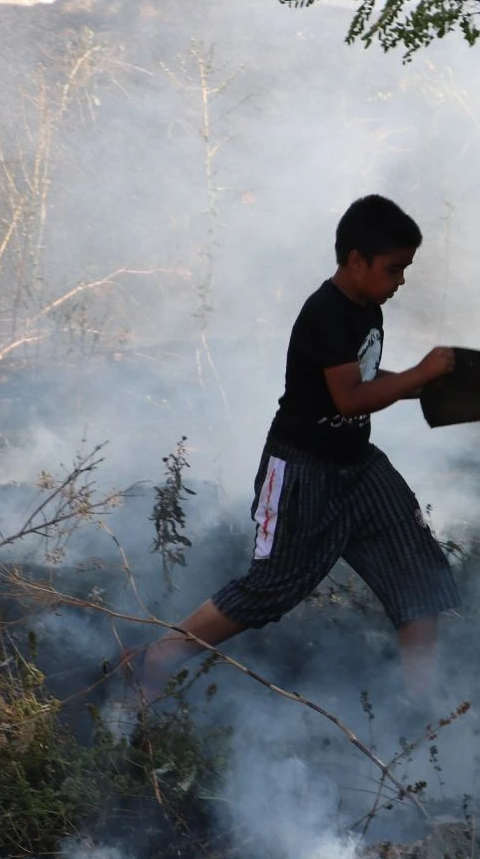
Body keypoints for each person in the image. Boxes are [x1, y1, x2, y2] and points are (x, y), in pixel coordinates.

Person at [126, 194, 458, 702]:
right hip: (303, 470)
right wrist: (419, 374)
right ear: (355, 260)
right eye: (394, 269)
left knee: (420, 575)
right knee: (270, 588)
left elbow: (362, 377)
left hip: (358, 466)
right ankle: (158, 659)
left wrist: (425, 385)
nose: (401, 282)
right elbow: (348, 399)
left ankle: (427, 712)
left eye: (405, 269)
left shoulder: (369, 309)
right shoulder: (325, 312)